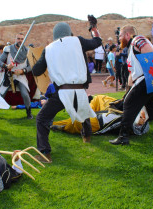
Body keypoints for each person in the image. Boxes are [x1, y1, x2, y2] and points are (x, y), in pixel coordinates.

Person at [32, 20, 102, 162]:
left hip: (62, 92)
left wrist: (36, 59)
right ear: (68, 31)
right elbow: (97, 41)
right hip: (80, 90)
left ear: (55, 34)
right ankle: (86, 137)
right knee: (84, 111)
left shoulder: (49, 49)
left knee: (42, 119)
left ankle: (45, 153)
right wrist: (94, 28)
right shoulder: (78, 41)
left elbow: (36, 70)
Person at [109, 25, 153, 146]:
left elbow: (152, 56)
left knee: (128, 103)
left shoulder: (138, 40)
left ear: (127, 35)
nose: (119, 39)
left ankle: (123, 136)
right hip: (150, 80)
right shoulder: (133, 45)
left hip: (147, 80)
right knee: (149, 104)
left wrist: (152, 76)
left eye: (120, 36)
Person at [51, 95, 150, 136]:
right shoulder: (140, 105)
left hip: (103, 120)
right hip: (110, 109)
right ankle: (85, 109)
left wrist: (139, 119)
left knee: (78, 122)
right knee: (99, 98)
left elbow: (137, 125)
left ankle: (58, 125)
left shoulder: (139, 121)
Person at [0, 33, 33, 120]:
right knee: (1, 94)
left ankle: (29, 113)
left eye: (22, 39)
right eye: (18, 38)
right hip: (9, 76)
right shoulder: (8, 50)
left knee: (25, 94)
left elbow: (31, 66)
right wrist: (6, 66)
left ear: (24, 40)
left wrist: (23, 71)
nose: (20, 40)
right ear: (15, 39)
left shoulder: (27, 51)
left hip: (20, 76)